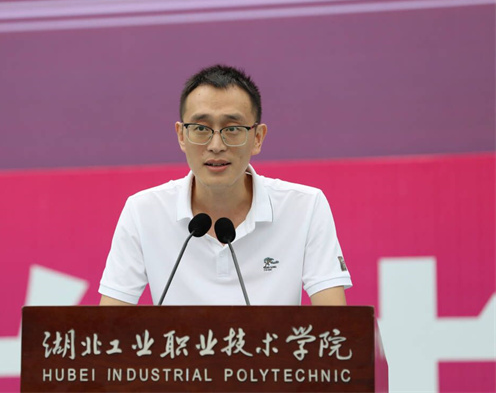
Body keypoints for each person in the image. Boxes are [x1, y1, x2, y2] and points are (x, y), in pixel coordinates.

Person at [99, 65, 351, 306]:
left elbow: (336, 325)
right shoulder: (143, 211)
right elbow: (107, 326)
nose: (216, 145)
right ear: (181, 136)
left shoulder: (305, 207)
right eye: (200, 128)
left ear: (258, 137)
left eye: (232, 129)